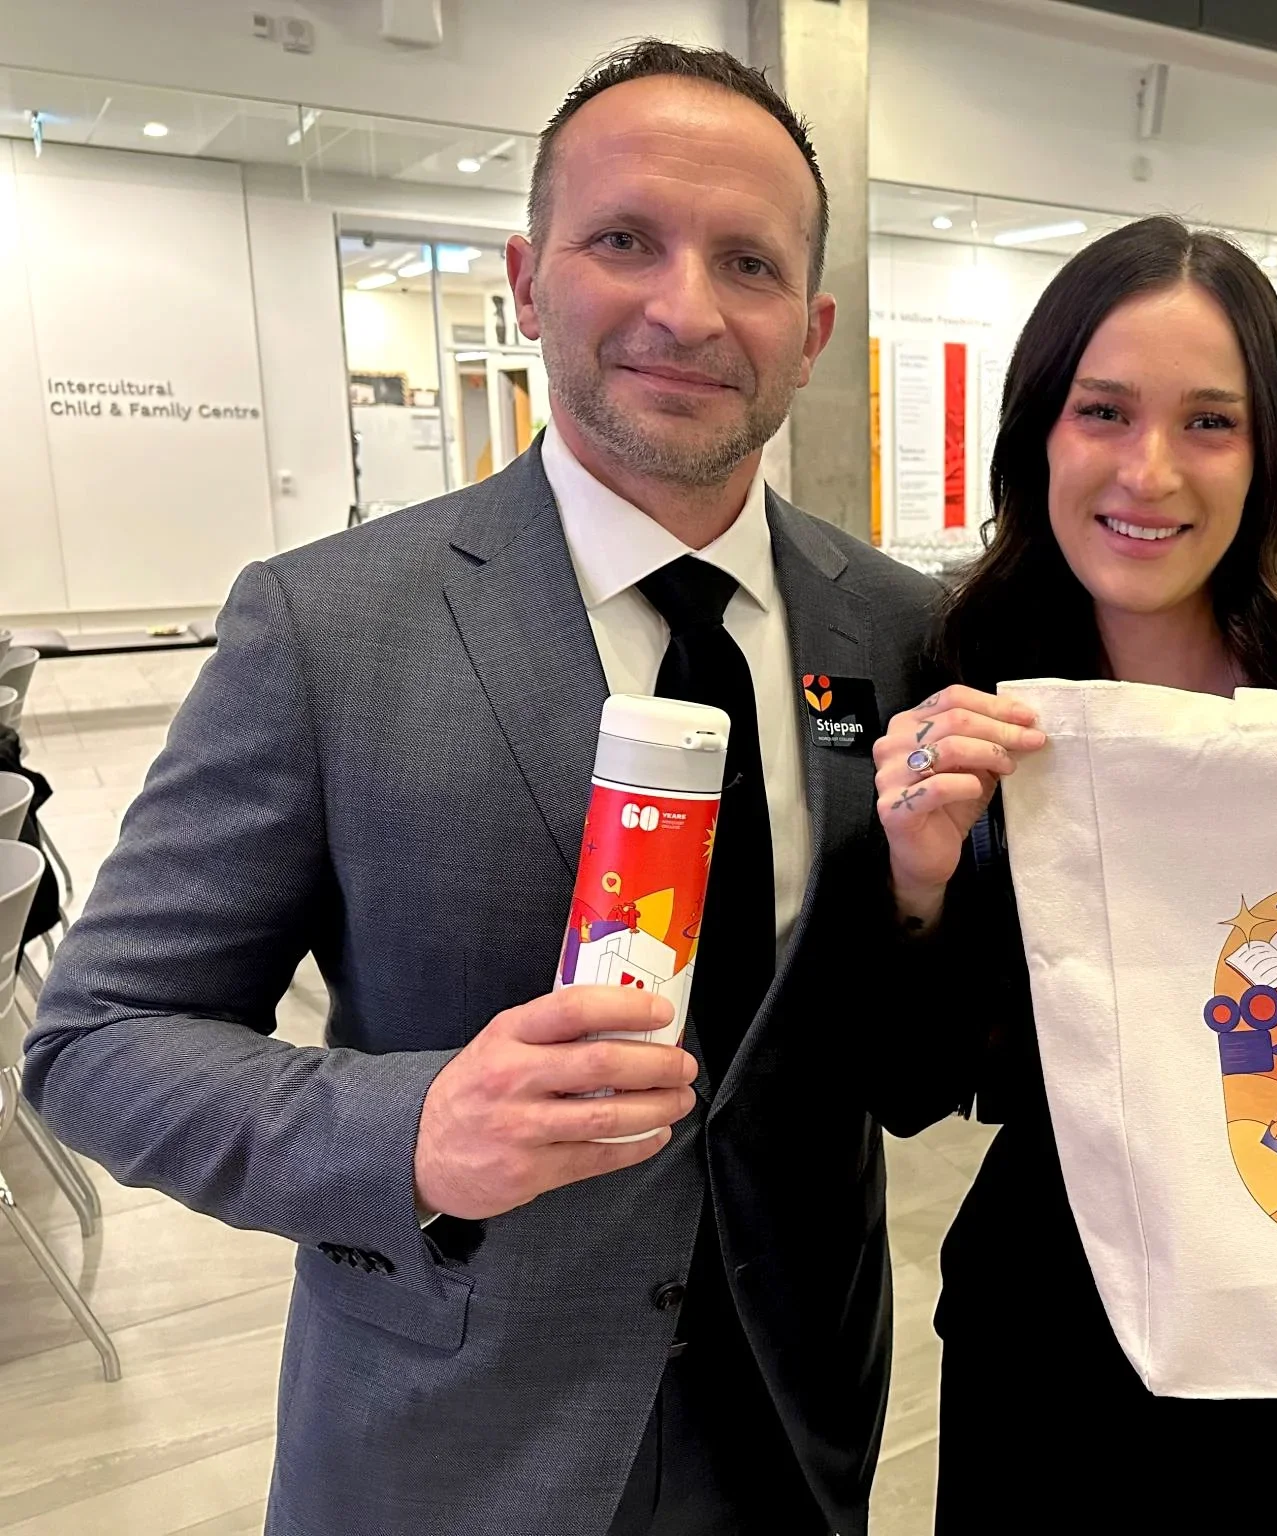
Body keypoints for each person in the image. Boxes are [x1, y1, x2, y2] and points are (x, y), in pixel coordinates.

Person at [24, 42, 950, 1536]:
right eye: (623, 240)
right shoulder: (331, 626)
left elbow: (893, 1052)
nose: (686, 308)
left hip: (800, 1422)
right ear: (526, 281)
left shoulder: (897, 632)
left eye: (749, 263)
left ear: (812, 329)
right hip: (458, 1438)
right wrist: (415, 1132)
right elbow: (99, 1040)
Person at [869, 217, 1277, 1531]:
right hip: (1053, 1340)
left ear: (1270, 455)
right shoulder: (965, 685)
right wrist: (917, 883)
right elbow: (910, 1090)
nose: (1147, 472)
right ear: (1038, 432)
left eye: (1210, 423)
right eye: (1102, 411)